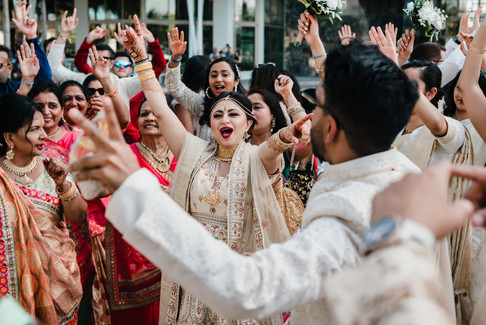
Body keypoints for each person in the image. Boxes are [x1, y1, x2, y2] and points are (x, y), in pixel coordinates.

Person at [69, 15, 420, 324]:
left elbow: (249, 288)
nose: (307, 116)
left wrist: (132, 187)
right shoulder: (404, 178)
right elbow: (160, 106)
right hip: (197, 287)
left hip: (229, 281)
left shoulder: (346, 212)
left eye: (318, 108)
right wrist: (142, 60)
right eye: (218, 113)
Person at [0, 94, 84, 324]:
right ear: (10, 137)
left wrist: (63, 184)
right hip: (11, 288)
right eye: (35, 129)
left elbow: (77, 215)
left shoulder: (53, 163)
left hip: (59, 282)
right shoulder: (1, 177)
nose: (44, 135)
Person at [165, 27, 246, 141]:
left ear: (236, 80)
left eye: (225, 74)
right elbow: (175, 87)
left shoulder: (247, 106)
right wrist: (175, 58)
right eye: (213, 75)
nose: (218, 79)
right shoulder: (201, 104)